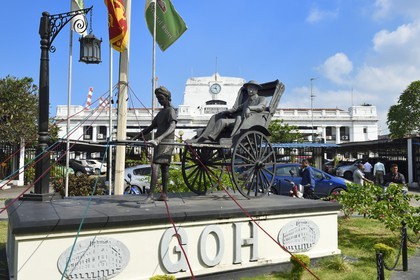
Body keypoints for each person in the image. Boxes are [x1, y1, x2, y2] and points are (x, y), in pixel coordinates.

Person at [133, 86, 177, 201]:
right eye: (158, 98)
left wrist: (160, 138)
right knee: (163, 169)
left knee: (157, 167)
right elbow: (150, 127)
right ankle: (164, 195)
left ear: (167, 97)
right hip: (159, 143)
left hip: (166, 142)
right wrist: (136, 137)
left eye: (161, 98)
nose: (159, 101)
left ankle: (151, 195)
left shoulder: (171, 111)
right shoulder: (161, 113)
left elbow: (172, 126)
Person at [190, 80, 266, 142]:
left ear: (256, 89)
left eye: (252, 88)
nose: (250, 90)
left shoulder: (261, 99)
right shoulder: (247, 101)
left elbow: (261, 107)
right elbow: (237, 108)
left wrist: (250, 108)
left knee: (237, 118)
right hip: (239, 120)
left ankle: (231, 138)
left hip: (249, 121)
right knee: (220, 120)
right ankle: (209, 137)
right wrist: (226, 112)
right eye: (249, 89)